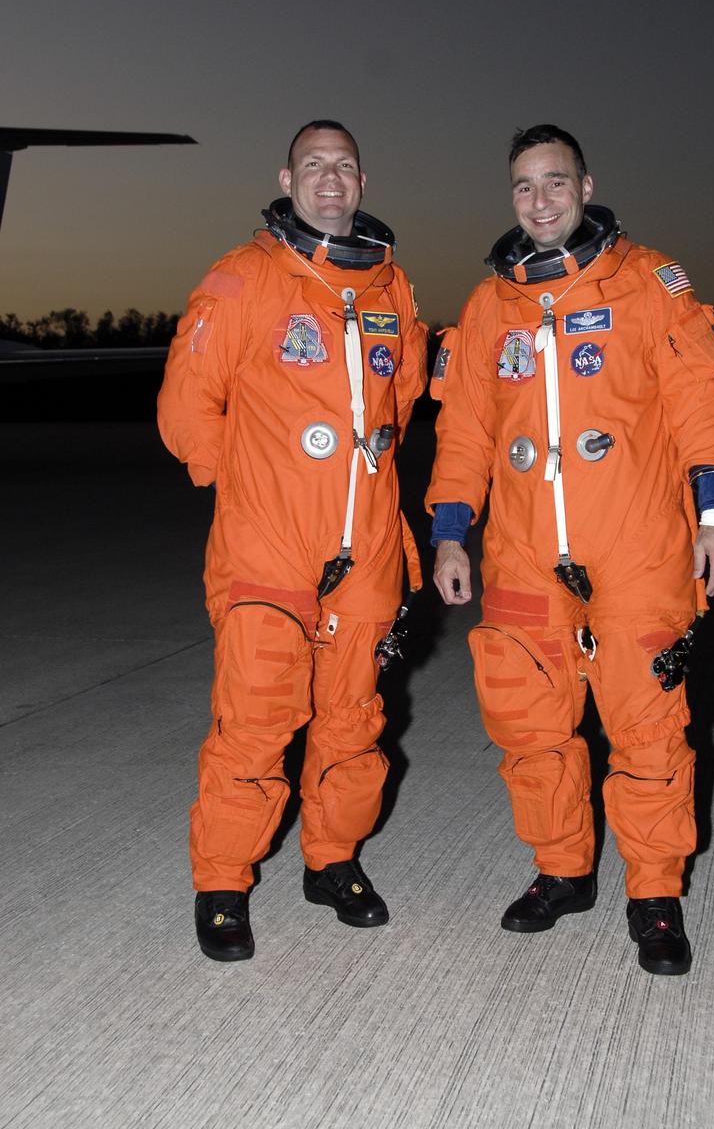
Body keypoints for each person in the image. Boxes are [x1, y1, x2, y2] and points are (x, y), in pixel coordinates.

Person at [428, 124, 714, 975]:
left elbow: (701, 401)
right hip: (526, 554)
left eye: (554, 183)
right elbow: (462, 432)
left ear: (586, 184)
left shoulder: (648, 282)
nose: (540, 201)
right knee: (531, 726)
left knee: (647, 730)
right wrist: (451, 533)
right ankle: (563, 870)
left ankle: (656, 895)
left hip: (637, 547)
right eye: (525, 187)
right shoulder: (489, 306)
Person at [159, 120, 427, 960]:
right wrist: (241, 486)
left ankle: (333, 860)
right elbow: (184, 407)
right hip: (268, 547)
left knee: (352, 719)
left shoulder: (391, 288)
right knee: (257, 721)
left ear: (361, 180)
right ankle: (223, 884)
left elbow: (399, 404)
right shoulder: (244, 278)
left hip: (368, 545)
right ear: (287, 176)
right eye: (314, 166)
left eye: (344, 166)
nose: (330, 180)